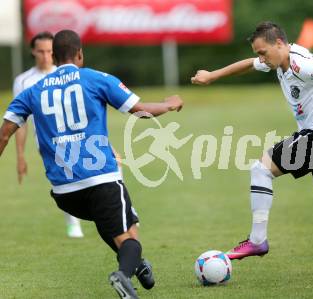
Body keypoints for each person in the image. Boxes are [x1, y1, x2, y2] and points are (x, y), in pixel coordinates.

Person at [191, 21, 313, 279]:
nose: (261, 58)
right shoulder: (278, 59)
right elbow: (247, 65)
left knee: (260, 169)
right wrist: (212, 75)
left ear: (280, 44)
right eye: (258, 52)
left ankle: (257, 240)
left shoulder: (300, 64)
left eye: (263, 52)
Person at [0, 29, 184, 298]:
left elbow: (4, 133)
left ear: (53, 56)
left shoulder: (33, 90)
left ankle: (139, 266)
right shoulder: (96, 79)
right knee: (130, 237)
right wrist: (169, 104)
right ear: (79, 54)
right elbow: (140, 110)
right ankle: (124, 274)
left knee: (116, 224)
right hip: (100, 180)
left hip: (64, 194)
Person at [13, 31, 84, 238]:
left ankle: (119, 210)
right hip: (46, 141)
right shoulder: (24, 81)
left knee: (106, 164)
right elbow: (21, 121)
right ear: (33, 52)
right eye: (41, 52)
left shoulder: (67, 74)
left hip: (77, 135)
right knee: (65, 178)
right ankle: (73, 223)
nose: (45, 56)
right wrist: (20, 156)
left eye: (49, 51)